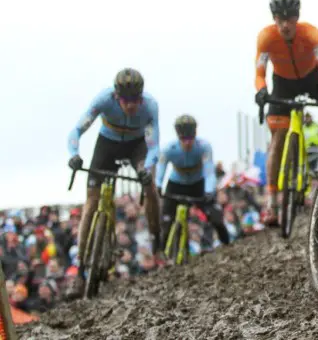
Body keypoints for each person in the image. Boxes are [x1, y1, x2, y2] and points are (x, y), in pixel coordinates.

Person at [254, 0, 318, 226]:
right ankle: (272, 201)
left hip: (313, 78)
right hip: (282, 84)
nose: (285, 24)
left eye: (290, 18)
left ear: (297, 18)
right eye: (280, 19)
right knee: (277, 139)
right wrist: (261, 90)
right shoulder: (266, 38)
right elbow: (259, 73)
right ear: (274, 18)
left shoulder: (311, 34)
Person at [66, 68, 162, 297]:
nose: (131, 105)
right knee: (91, 203)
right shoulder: (103, 99)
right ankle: (80, 271)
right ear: (116, 97)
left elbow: (154, 145)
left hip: (136, 146)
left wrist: (146, 169)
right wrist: (74, 154)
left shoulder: (150, 106)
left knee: (150, 188)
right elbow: (77, 129)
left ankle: (157, 239)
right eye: (126, 100)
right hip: (107, 146)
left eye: (135, 100)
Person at [155, 115, 230, 251]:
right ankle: (162, 255)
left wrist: (209, 190)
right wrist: (158, 186)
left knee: (215, 216)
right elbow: (160, 169)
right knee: (166, 222)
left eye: (190, 139)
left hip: (198, 184)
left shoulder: (204, 146)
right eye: (183, 139)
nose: (187, 143)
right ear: (178, 137)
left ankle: (227, 244)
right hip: (175, 185)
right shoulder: (168, 149)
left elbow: (209, 171)